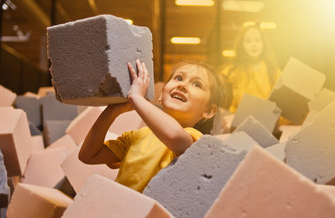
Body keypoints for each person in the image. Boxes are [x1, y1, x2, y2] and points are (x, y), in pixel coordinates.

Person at [78, 59, 225, 192]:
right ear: (160, 96)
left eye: (197, 84)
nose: (182, 85)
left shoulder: (196, 140)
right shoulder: (137, 136)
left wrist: (136, 98)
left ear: (208, 111)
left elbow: (174, 136)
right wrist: (112, 111)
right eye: (178, 78)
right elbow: (88, 156)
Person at [219, 25, 281, 113]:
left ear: (263, 43)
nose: (254, 44)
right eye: (248, 41)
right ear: (241, 45)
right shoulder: (233, 70)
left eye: (258, 40)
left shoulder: (273, 69)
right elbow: (217, 82)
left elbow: (282, 98)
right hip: (239, 120)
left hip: (267, 118)